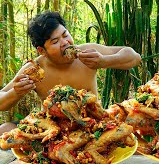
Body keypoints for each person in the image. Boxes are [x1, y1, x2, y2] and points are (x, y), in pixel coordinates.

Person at [0, 11, 141, 135]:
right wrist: (16, 92)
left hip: (94, 125)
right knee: (4, 129)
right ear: (42, 51)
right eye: (55, 41)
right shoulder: (35, 69)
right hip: (52, 128)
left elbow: (134, 57)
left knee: (134, 127)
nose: (65, 42)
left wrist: (104, 61)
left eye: (65, 34)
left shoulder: (87, 52)